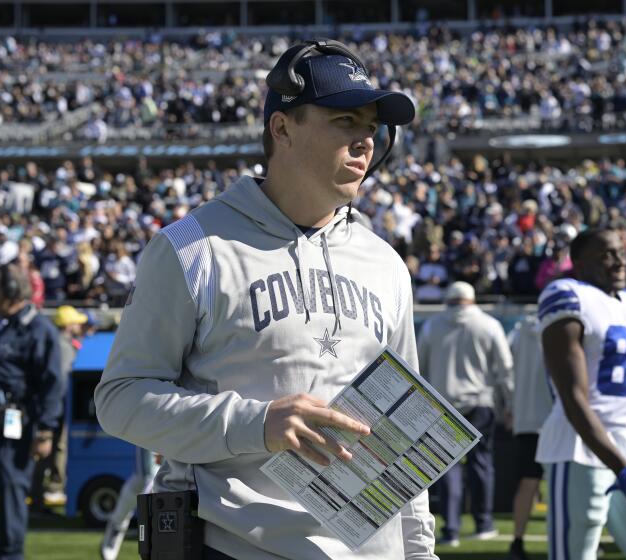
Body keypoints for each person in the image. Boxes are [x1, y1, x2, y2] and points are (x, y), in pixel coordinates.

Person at [94, 39, 437, 560]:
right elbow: (120, 400)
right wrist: (257, 424)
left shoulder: (387, 264)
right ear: (282, 128)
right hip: (230, 545)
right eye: (345, 121)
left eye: (372, 127)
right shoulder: (190, 246)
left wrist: (419, 552)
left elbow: (402, 429)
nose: (366, 141)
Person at [535, 228, 626, 560]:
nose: (619, 261)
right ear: (580, 263)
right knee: (576, 554)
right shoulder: (566, 295)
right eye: (608, 254)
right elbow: (573, 398)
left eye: (622, 252)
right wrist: (622, 469)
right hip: (580, 445)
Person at [0, 263, 64, 559]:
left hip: (12, 433)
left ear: (11, 292)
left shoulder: (37, 329)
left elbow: (52, 384)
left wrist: (45, 430)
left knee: (11, 502)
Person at [416, 281, 513, 547]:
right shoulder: (489, 325)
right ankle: (483, 523)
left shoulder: (431, 326)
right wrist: (509, 404)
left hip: (441, 405)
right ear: (472, 299)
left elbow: (419, 367)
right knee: (481, 464)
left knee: (447, 469)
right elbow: (505, 368)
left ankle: (451, 530)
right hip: (481, 403)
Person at [30, 305, 88, 509]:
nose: (80, 326)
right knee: (49, 451)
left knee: (51, 451)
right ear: (68, 324)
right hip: (57, 408)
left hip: (54, 407)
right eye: (76, 322)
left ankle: (41, 494)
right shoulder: (62, 347)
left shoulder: (63, 343)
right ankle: (44, 494)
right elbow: (60, 382)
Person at [504, 315, 551, 560]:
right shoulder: (562, 326)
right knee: (558, 485)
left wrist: (511, 405)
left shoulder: (519, 331)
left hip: (527, 418)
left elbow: (505, 367)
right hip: (556, 420)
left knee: (527, 483)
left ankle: (517, 541)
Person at [100, 447, 161, 560]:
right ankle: (117, 527)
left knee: (144, 481)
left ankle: (117, 525)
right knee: (148, 479)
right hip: (151, 433)